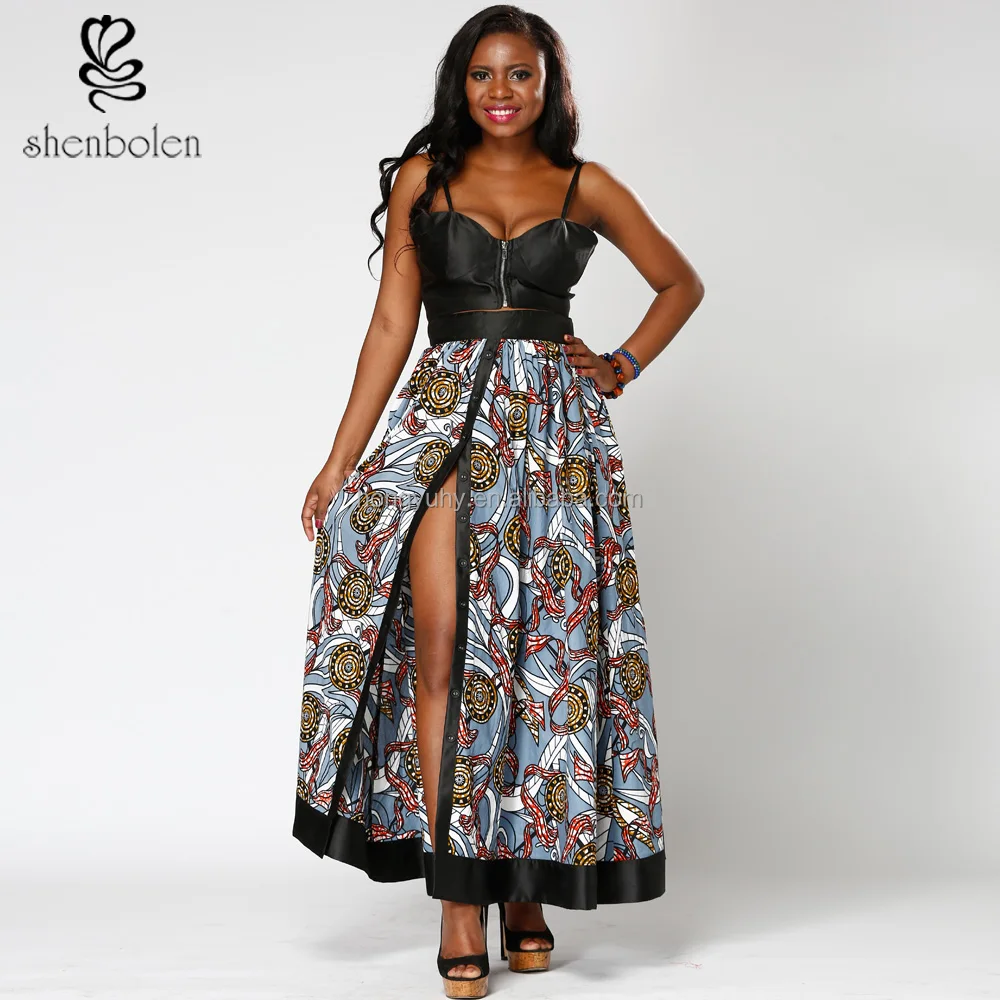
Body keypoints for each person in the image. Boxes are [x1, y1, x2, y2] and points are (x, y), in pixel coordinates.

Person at [293, 6, 704, 997]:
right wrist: (339, 461)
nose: (501, 92)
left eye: (519, 73)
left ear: (548, 84)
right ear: (460, 84)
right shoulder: (424, 180)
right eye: (483, 74)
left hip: (555, 442)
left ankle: (525, 886)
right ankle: (457, 895)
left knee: (541, 662)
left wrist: (620, 365)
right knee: (440, 649)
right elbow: (391, 323)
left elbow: (679, 284)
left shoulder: (585, 185)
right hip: (443, 429)